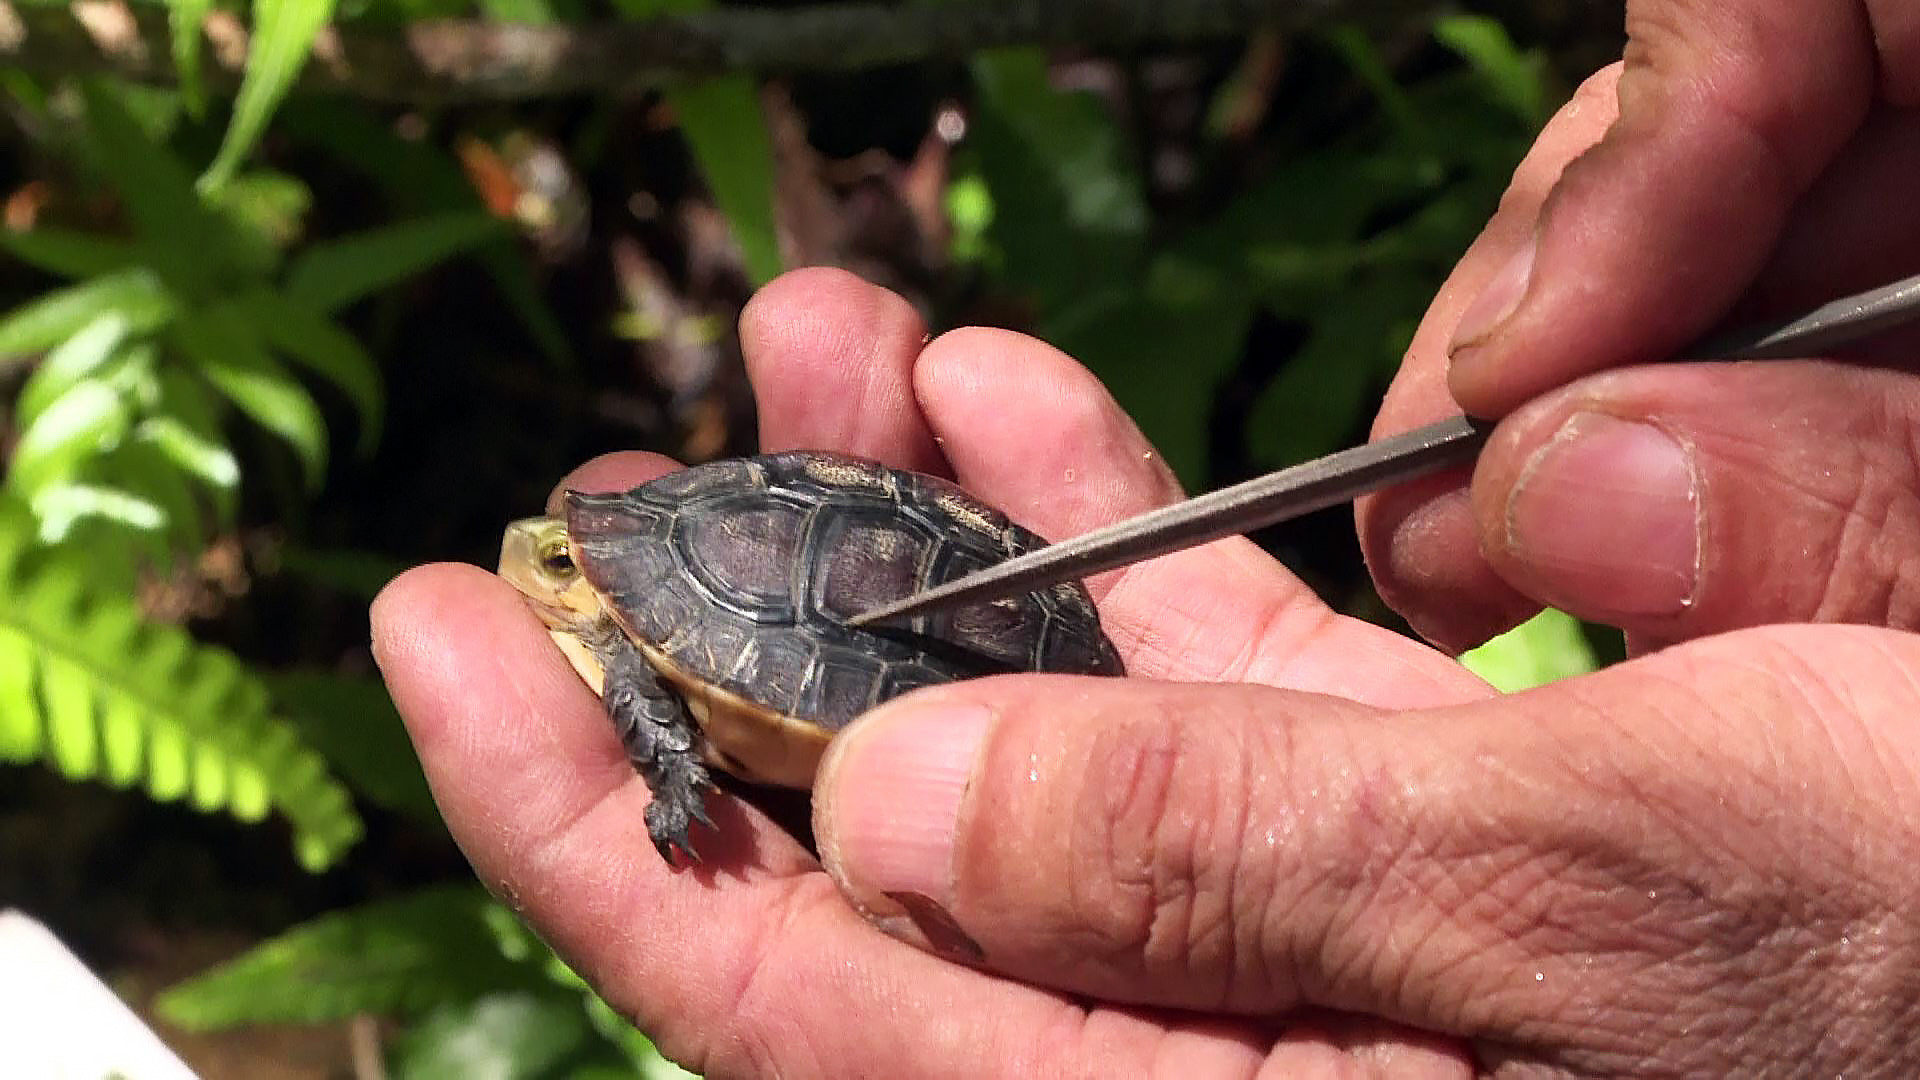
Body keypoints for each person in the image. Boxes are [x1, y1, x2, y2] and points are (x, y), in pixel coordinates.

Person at [372, 6, 1920, 1075]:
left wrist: (665, 759)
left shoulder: (646, 609)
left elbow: (670, 696)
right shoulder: (674, 534)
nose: (551, 574)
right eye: (565, 564)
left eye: (564, 569)